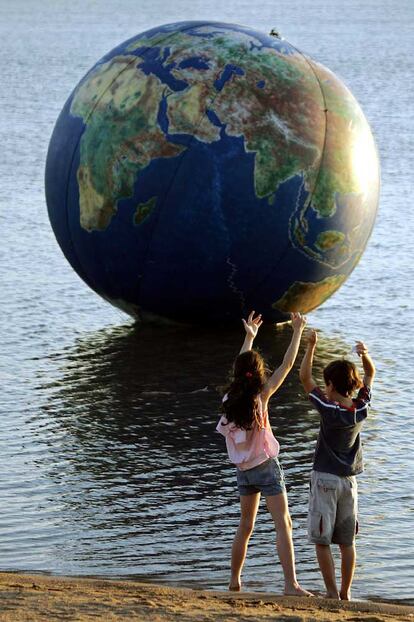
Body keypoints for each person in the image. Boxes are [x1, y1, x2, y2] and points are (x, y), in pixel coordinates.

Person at [216, 310, 312, 596]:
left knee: (245, 525)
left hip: (243, 471)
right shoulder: (262, 396)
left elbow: (239, 370)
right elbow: (287, 364)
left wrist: (248, 338)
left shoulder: (229, 399)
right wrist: (296, 331)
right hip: (266, 468)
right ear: (258, 374)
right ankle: (290, 584)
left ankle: (234, 580)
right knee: (283, 523)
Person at [299, 330, 375, 600]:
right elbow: (370, 375)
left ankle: (331, 592)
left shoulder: (329, 409)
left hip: (325, 480)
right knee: (347, 542)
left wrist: (310, 346)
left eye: (325, 383)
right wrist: (364, 355)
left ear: (330, 385)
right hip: (349, 483)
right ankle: (346, 592)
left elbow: (304, 378)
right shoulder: (361, 408)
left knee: (322, 541)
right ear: (352, 385)